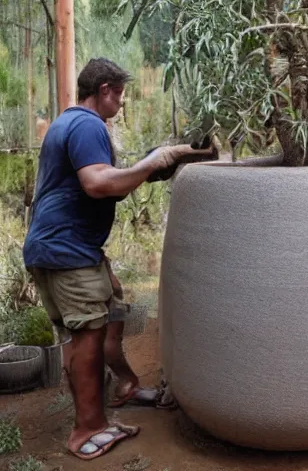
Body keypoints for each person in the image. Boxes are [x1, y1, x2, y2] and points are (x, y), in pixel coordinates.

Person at [23, 58, 214, 461]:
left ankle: (124, 385)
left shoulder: (70, 123)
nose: (122, 104)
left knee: (111, 313)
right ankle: (87, 428)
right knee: (87, 339)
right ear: (106, 89)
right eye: (121, 95)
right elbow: (97, 183)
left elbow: (109, 185)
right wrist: (151, 162)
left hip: (65, 247)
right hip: (67, 252)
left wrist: (161, 161)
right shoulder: (88, 124)